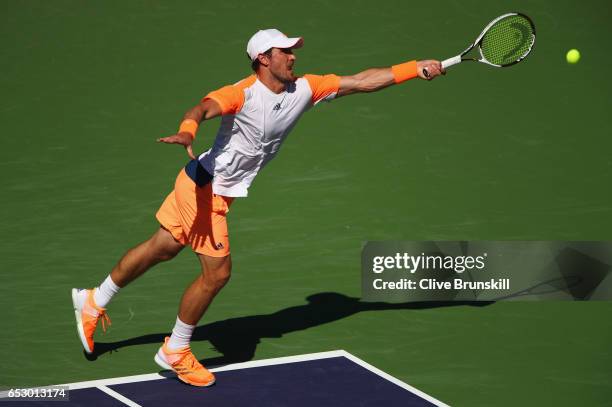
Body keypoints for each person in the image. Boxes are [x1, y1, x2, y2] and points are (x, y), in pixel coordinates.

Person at [71, 28, 444, 387]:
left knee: (162, 248)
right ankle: (176, 348)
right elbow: (202, 107)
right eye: (286, 52)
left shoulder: (306, 88)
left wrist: (415, 67)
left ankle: (93, 299)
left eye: (292, 50)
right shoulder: (242, 94)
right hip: (204, 191)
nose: (294, 56)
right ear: (264, 59)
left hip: (202, 183)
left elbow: (360, 80)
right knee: (217, 275)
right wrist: (188, 129)